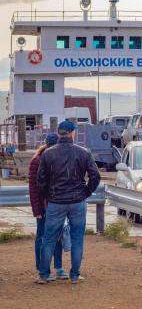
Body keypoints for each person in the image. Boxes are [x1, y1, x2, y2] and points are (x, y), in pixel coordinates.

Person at [36, 120, 101, 284]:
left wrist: (49, 195)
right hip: (77, 200)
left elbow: (40, 180)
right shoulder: (83, 152)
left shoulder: (48, 154)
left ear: (59, 133)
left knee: (49, 238)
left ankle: (44, 275)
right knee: (77, 238)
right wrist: (86, 192)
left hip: (56, 201)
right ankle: (74, 275)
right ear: (73, 133)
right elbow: (95, 176)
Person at [28, 133, 68, 281]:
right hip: (44, 206)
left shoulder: (57, 159)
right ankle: (42, 269)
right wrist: (36, 209)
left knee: (57, 236)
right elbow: (33, 188)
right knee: (42, 236)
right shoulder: (37, 161)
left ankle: (58, 268)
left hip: (56, 204)